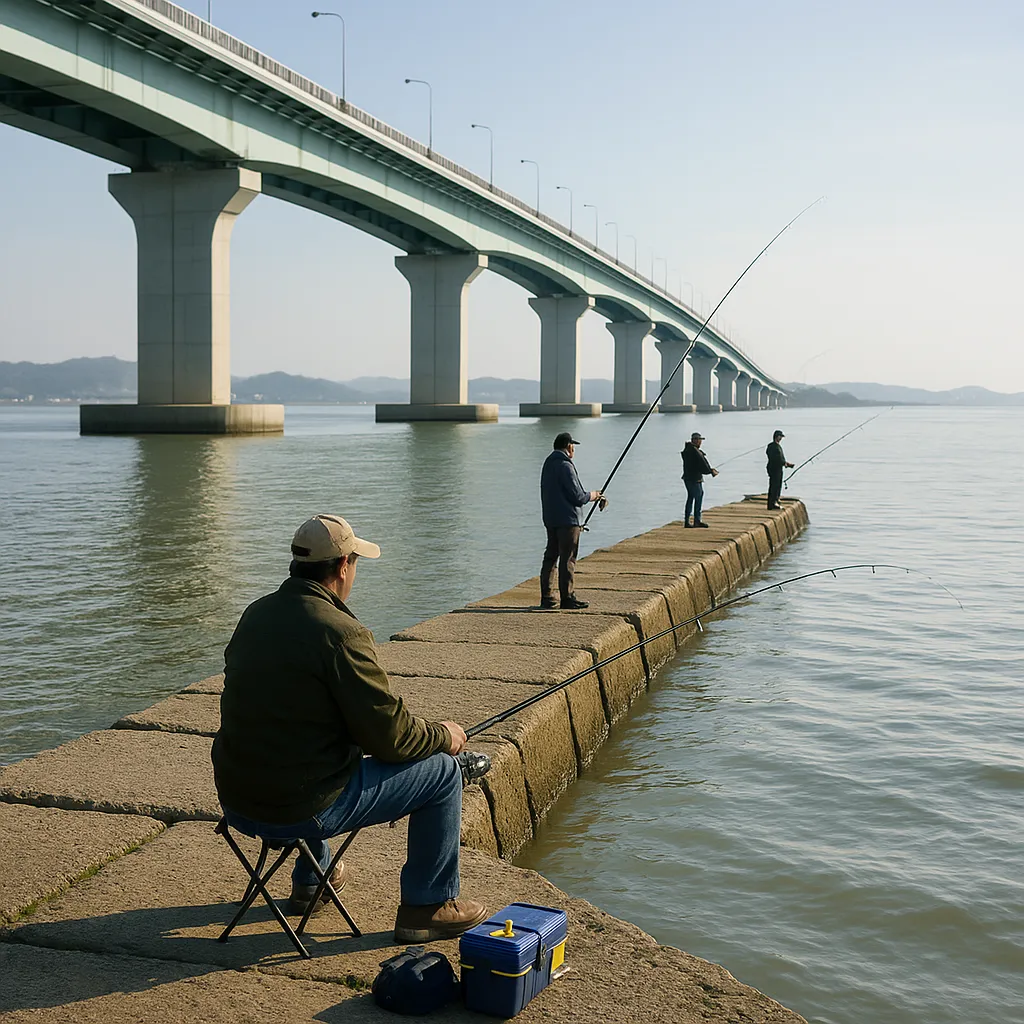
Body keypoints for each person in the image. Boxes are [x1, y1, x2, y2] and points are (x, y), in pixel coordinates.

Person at [211, 513, 488, 943]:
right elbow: (392, 738)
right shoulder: (342, 633)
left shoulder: (255, 615)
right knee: (444, 774)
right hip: (298, 809)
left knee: (310, 749)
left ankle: (310, 883)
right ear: (342, 566)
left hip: (239, 801)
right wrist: (444, 736)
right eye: (355, 563)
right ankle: (427, 908)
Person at [540, 431, 606, 609]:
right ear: (569, 447)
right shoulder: (565, 465)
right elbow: (577, 496)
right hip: (568, 521)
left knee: (550, 558)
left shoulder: (548, 463)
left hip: (551, 519)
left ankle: (547, 597)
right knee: (568, 559)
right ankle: (567, 598)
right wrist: (593, 495)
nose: (574, 451)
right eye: (573, 447)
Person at [680, 431, 718, 527]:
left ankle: (688, 521)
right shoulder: (694, 451)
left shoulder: (689, 450)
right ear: (695, 440)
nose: (700, 442)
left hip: (689, 478)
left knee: (691, 498)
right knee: (698, 497)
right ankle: (696, 520)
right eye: (699, 440)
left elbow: (701, 464)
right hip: (694, 479)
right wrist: (711, 471)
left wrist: (709, 470)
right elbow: (702, 465)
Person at [766, 430, 794, 510]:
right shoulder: (775, 447)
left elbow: (778, 458)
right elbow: (777, 459)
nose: (781, 438)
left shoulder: (772, 446)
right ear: (777, 436)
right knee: (775, 486)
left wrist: (786, 464)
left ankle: (774, 502)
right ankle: (773, 503)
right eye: (780, 436)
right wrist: (786, 464)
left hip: (774, 468)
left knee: (776, 485)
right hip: (775, 469)